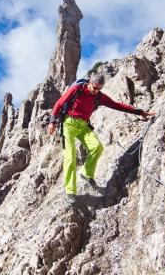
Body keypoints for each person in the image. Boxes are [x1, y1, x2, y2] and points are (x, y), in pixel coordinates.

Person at [47, 73, 154, 205]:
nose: (96, 91)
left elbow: (116, 105)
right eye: (94, 87)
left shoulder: (99, 96)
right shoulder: (78, 89)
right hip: (68, 124)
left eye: (99, 89)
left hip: (83, 125)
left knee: (97, 147)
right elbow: (59, 103)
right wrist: (52, 121)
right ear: (89, 83)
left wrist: (138, 111)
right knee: (70, 157)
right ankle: (70, 191)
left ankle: (86, 174)